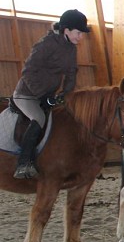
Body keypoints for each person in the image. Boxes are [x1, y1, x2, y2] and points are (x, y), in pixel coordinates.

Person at [12, 9, 90, 179]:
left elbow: (71, 73)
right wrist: (42, 96)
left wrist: (67, 94)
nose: (80, 37)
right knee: (39, 118)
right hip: (28, 94)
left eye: (81, 34)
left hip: (49, 95)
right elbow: (28, 71)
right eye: (78, 33)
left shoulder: (71, 48)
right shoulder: (46, 44)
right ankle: (23, 164)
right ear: (66, 30)